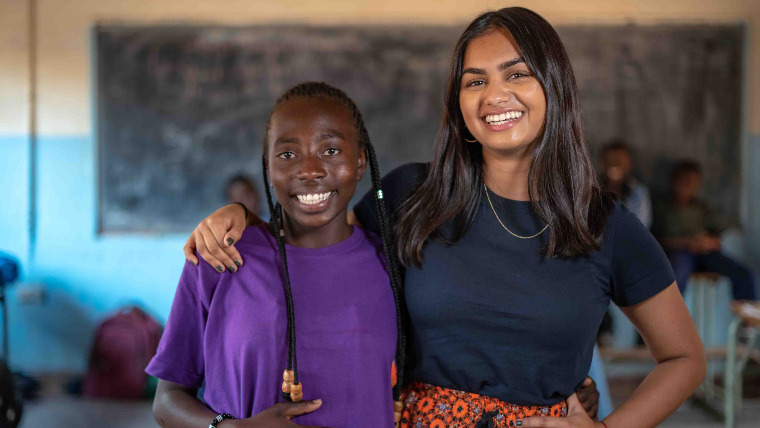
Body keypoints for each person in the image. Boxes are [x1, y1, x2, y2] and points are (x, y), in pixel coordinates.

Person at [185, 8, 705, 428]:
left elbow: (684, 359)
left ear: (555, 86)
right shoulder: (413, 194)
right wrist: (244, 217)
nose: (495, 95)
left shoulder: (605, 225)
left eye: (517, 74)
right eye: (474, 81)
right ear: (459, 105)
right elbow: (316, 240)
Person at [148, 82, 408, 427]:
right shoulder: (219, 256)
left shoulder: (391, 264)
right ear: (268, 169)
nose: (310, 170)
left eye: (330, 150)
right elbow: (167, 400)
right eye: (287, 154)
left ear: (360, 163)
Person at [652, 160, 756, 300]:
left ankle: (747, 318)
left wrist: (707, 242)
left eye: (693, 182)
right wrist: (687, 243)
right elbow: (653, 240)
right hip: (677, 253)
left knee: (744, 275)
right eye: (684, 181)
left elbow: (718, 236)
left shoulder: (702, 208)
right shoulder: (661, 208)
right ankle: (666, 317)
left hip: (704, 254)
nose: (688, 186)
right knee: (675, 277)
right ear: (674, 181)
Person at [599, 141, 652, 228]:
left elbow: (641, 225)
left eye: (620, 162)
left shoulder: (638, 192)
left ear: (629, 164)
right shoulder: (591, 190)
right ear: (602, 164)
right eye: (609, 161)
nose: (614, 165)